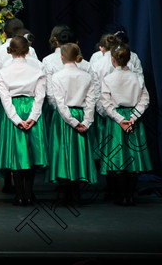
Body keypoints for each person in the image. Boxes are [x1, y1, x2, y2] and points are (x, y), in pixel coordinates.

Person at [0, 36, 48, 206]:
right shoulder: (37, 71)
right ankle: (28, 193)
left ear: (10, 51)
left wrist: (16, 119)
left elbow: (5, 99)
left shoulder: (3, 72)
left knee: (17, 154)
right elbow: (40, 96)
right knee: (31, 153)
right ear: (27, 51)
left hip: (14, 110)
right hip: (32, 107)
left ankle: (19, 195)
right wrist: (32, 117)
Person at [45, 43, 99, 206]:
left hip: (65, 118)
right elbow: (91, 101)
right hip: (81, 115)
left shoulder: (57, 76)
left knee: (63, 151)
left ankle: (64, 192)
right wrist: (86, 121)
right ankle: (75, 192)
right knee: (78, 152)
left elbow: (59, 103)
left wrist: (72, 121)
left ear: (62, 57)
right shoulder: (86, 76)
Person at [99, 43, 152, 206]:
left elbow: (106, 104)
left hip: (118, 122)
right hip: (133, 119)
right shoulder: (138, 78)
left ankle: (121, 196)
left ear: (113, 60)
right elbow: (145, 100)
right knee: (133, 158)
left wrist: (120, 120)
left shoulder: (107, 79)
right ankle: (129, 195)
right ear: (129, 59)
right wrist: (133, 117)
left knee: (119, 158)